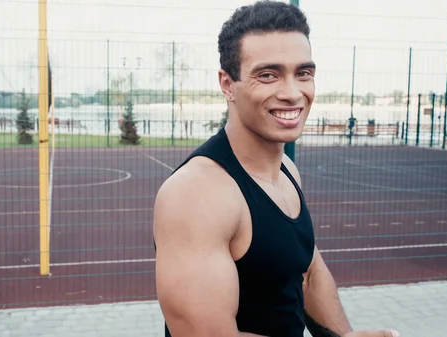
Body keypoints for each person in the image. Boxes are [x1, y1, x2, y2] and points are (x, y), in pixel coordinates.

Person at [152, 1, 401, 337]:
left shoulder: (285, 169)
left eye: (303, 73)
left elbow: (307, 273)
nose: (292, 92)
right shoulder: (197, 194)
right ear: (228, 84)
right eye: (268, 75)